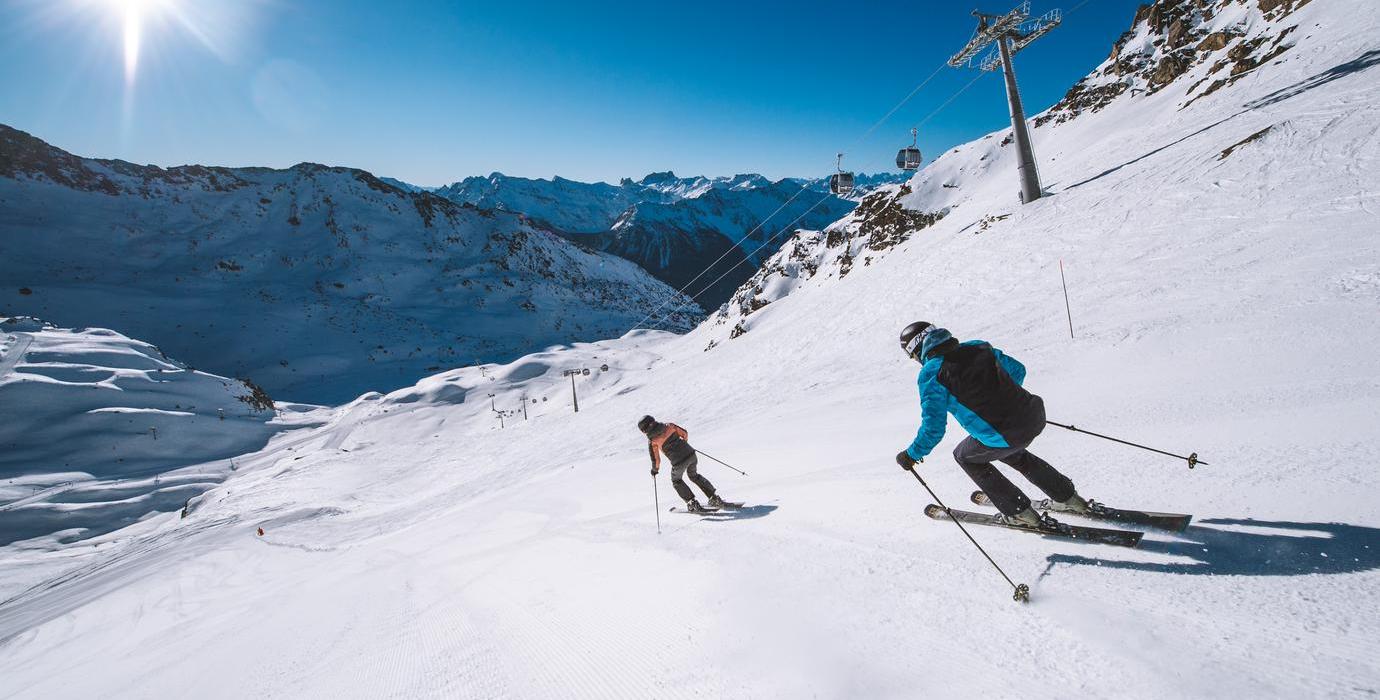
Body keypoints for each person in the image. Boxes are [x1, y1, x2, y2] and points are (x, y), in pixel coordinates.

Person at [893, 322, 1092, 529]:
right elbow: (1018, 370)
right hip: (1033, 415)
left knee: (964, 456)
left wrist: (911, 455)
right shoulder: (978, 347)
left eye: (912, 356)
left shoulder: (931, 374)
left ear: (916, 348)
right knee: (1010, 451)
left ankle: (1019, 512)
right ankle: (1069, 498)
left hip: (1003, 432)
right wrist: (1003, 401)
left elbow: (933, 428)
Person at [638, 415, 727, 513]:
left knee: (676, 480)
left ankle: (692, 503)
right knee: (694, 476)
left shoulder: (652, 441)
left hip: (678, 462)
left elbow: (656, 460)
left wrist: (655, 470)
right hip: (691, 454)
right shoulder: (669, 426)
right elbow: (684, 434)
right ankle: (714, 498)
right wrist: (683, 446)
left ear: (645, 430)